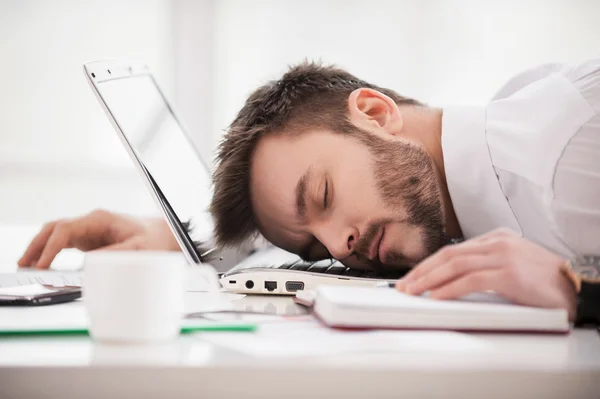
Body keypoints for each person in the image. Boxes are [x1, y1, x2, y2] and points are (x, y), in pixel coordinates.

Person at [18, 59, 600, 324]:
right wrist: (181, 240)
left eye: (320, 195)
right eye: (316, 254)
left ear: (375, 112)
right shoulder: (497, 130)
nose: (339, 245)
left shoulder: (572, 157)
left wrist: (575, 290)